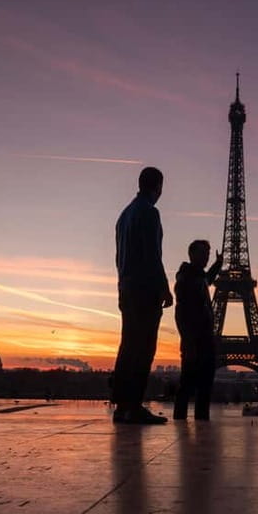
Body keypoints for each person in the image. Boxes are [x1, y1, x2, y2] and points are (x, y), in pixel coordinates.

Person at [112, 166, 173, 424]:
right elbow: (152, 255)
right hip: (145, 289)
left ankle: (123, 405)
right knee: (144, 348)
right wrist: (164, 286)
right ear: (158, 187)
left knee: (128, 346)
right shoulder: (150, 212)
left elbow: (119, 258)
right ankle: (134, 405)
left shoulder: (124, 215)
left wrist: (121, 287)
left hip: (127, 287)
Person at [172, 240, 223, 421]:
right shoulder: (187, 278)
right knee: (191, 381)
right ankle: (192, 417)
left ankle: (191, 417)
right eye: (203, 254)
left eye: (208, 254)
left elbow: (207, 280)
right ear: (192, 254)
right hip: (195, 337)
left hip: (203, 336)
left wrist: (218, 264)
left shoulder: (196, 276)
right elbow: (181, 311)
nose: (206, 257)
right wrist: (188, 339)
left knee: (199, 381)